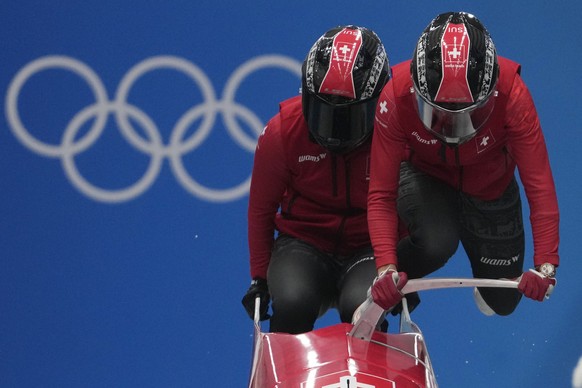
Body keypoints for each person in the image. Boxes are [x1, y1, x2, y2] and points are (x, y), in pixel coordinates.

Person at [368, 11, 559, 316]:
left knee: (503, 301)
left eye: (468, 114)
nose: (452, 131)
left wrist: (546, 265)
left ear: (491, 93)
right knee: (437, 240)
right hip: (424, 176)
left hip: (489, 185)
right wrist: (385, 268)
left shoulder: (514, 95)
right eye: (439, 114)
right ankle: (369, 274)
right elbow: (381, 192)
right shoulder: (394, 96)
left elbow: (539, 184)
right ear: (417, 91)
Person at [240, 25, 396, 334]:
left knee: (363, 308)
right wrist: (259, 278)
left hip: (367, 248)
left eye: (348, 117)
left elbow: (406, 201)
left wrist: (399, 268)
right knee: (293, 301)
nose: (333, 131)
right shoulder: (281, 133)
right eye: (323, 113)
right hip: (304, 243)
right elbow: (261, 209)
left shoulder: (393, 133)